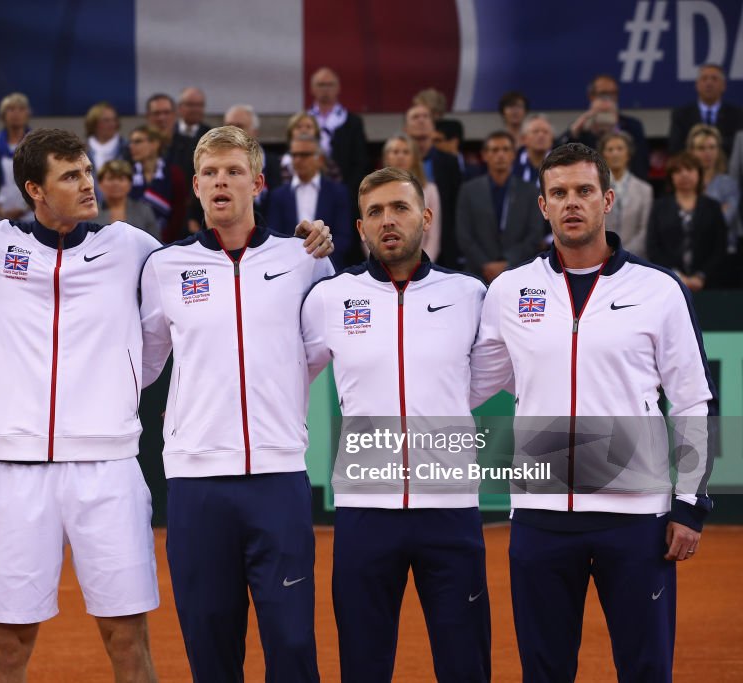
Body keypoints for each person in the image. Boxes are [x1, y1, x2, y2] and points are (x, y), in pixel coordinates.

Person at [472, 142, 715, 682]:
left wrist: (688, 503)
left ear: (607, 199)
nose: (571, 203)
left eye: (583, 191)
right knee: (544, 669)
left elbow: (693, 399)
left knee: (646, 668)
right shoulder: (509, 292)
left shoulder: (659, 290)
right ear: (543, 206)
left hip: (636, 520)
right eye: (558, 193)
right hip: (540, 516)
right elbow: (465, 386)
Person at [0, 128, 164, 683]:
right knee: (8, 642)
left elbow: (200, 288)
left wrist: (305, 242)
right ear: (35, 189)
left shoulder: (133, 249)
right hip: (16, 472)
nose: (86, 184)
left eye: (87, 172)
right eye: (70, 176)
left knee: (127, 638)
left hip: (110, 469)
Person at [139, 125, 334, 682]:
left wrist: (279, 396)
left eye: (234, 171)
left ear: (259, 182)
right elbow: (148, 362)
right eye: (210, 173)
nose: (221, 181)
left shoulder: (305, 259)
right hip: (197, 484)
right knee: (211, 647)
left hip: (277, 477)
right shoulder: (164, 267)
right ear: (196, 187)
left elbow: (318, 352)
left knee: (293, 645)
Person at [301, 167, 492, 682]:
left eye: (400, 208)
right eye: (375, 212)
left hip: (450, 512)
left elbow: (495, 377)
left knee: (465, 665)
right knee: (363, 667)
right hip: (365, 513)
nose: (388, 221)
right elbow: (285, 378)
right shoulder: (330, 299)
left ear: (425, 218)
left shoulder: (470, 295)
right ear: (360, 227)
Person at [456, 131, 544, 282]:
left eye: (505, 149)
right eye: (495, 150)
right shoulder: (468, 190)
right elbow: (463, 234)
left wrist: (508, 263)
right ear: (484, 155)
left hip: (519, 272)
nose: (500, 155)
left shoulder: (530, 191)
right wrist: (484, 264)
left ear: (513, 155)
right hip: (477, 274)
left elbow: (535, 234)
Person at [266, 134, 352, 270]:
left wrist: (321, 257)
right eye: (294, 155)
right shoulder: (278, 195)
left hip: (330, 267)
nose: (298, 160)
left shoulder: (338, 192)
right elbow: (274, 235)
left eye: (304, 155)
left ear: (320, 159)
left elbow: (344, 236)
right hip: (288, 269)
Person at [646, 152, 728, 292]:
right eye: (678, 171)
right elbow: (653, 247)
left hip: (710, 285)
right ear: (671, 176)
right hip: (669, 283)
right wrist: (677, 276)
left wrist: (701, 276)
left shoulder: (712, 207)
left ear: (699, 174)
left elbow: (720, 246)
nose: (684, 174)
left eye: (689, 169)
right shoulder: (659, 207)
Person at [559, 74, 649, 179]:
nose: (607, 99)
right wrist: (576, 128)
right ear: (591, 96)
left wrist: (615, 129)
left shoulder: (632, 126)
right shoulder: (582, 129)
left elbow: (641, 165)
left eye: (612, 94)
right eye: (603, 94)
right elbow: (559, 155)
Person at [405, 103, 461, 269]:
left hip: (445, 248)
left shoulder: (450, 162)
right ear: (406, 128)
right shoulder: (398, 162)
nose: (421, 121)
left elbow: (456, 207)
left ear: (433, 126)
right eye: (415, 117)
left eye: (426, 117)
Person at [308, 67, 369, 199]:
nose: (325, 89)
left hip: (345, 192)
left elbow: (360, 162)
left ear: (338, 88)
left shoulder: (353, 122)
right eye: (321, 84)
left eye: (330, 84)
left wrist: (347, 190)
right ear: (312, 89)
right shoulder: (303, 121)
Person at [383, 134, 441, 261]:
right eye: (395, 151)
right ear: (386, 156)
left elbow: (433, 235)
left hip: (421, 264)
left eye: (406, 152)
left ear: (415, 157)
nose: (400, 156)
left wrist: (423, 263)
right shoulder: (374, 190)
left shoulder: (430, 190)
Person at [128, 124, 187, 242]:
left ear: (155, 144)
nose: (132, 146)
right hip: (133, 241)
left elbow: (179, 213)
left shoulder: (174, 174)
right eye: (131, 142)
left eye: (138, 141)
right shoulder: (127, 174)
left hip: (169, 242)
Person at [668, 64, 743, 157]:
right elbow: (675, 148)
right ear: (697, 85)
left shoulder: (737, 114)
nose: (709, 83)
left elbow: (738, 146)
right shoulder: (681, 114)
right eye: (704, 79)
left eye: (714, 79)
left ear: (723, 85)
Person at [600, 131, 652, 256]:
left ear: (628, 154)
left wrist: (624, 254)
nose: (615, 153)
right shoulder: (596, 188)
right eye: (610, 149)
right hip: (601, 257)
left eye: (620, 149)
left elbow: (645, 230)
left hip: (635, 259)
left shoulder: (645, 189)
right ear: (603, 154)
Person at [0, 92, 34, 222]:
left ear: (27, 114)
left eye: (21, 109)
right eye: (11, 109)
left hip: (31, 215)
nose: (16, 114)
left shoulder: (37, 144)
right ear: (3, 115)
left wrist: (26, 208)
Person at [687, 124, 740, 232]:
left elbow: (724, 220)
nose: (708, 153)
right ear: (692, 151)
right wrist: (716, 210)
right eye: (701, 148)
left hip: (724, 246)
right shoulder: (683, 183)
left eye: (712, 147)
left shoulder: (729, 185)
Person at [97, 158, 161, 240]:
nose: (116, 183)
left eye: (121, 179)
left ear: (130, 183)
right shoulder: (91, 213)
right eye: (111, 178)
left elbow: (156, 244)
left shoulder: (144, 211)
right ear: (100, 183)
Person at [85, 100, 130, 178]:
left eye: (114, 120)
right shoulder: (83, 150)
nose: (112, 124)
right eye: (106, 120)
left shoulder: (128, 148)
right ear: (94, 123)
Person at [512, 114, 554, 186]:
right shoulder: (511, 162)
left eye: (545, 132)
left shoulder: (561, 165)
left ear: (552, 139)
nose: (541, 135)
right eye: (535, 131)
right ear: (524, 138)